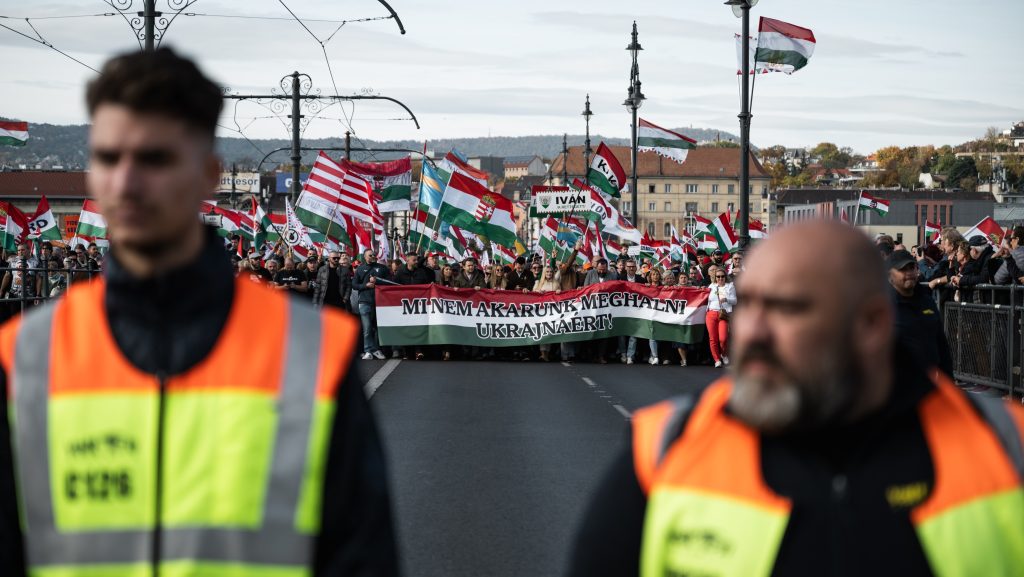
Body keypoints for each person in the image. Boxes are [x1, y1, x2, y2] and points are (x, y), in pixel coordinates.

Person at [0, 48, 397, 576]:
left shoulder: (309, 354)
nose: (126, 183)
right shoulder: (26, 357)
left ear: (209, 175)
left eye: (155, 158)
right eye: (108, 158)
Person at [568, 220, 1024, 577]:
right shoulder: (664, 450)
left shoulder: (1005, 450)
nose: (753, 331)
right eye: (748, 304)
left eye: (788, 307)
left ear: (869, 324)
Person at [887, 249, 953, 376]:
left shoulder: (927, 301)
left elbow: (941, 345)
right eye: (903, 269)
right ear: (890, 275)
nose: (909, 273)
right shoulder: (883, 306)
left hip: (927, 383)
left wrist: (948, 379)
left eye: (912, 267)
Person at [353, 248, 391, 360]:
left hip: (379, 303)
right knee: (367, 328)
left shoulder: (382, 268)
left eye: (373, 255)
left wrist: (377, 281)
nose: (372, 256)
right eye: (370, 255)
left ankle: (376, 349)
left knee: (378, 328)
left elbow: (389, 282)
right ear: (364, 257)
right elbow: (354, 284)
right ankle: (368, 350)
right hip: (364, 302)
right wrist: (366, 286)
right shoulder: (360, 269)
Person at [706, 266, 736, 367]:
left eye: (722, 276)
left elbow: (735, 301)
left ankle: (723, 354)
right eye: (718, 277)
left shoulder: (730, 286)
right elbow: (705, 299)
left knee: (723, 338)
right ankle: (716, 359)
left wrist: (727, 299)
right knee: (712, 338)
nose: (720, 278)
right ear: (715, 277)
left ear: (725, 276)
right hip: (711, 313)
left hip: (723, 313)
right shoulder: (711, 286)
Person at [533, 266, 561, 361]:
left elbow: (560, 295)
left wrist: (559, 291)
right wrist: (538, 291)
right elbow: (532, 294)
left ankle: (547, 354)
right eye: (547, 272)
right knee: (542, 331)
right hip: (541, 311)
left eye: (551, 272)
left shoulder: (556, 283)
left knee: (549, 331)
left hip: (552, 311)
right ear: (544, 273)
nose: (549, 273)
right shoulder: (538, 283)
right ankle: (542, 353)